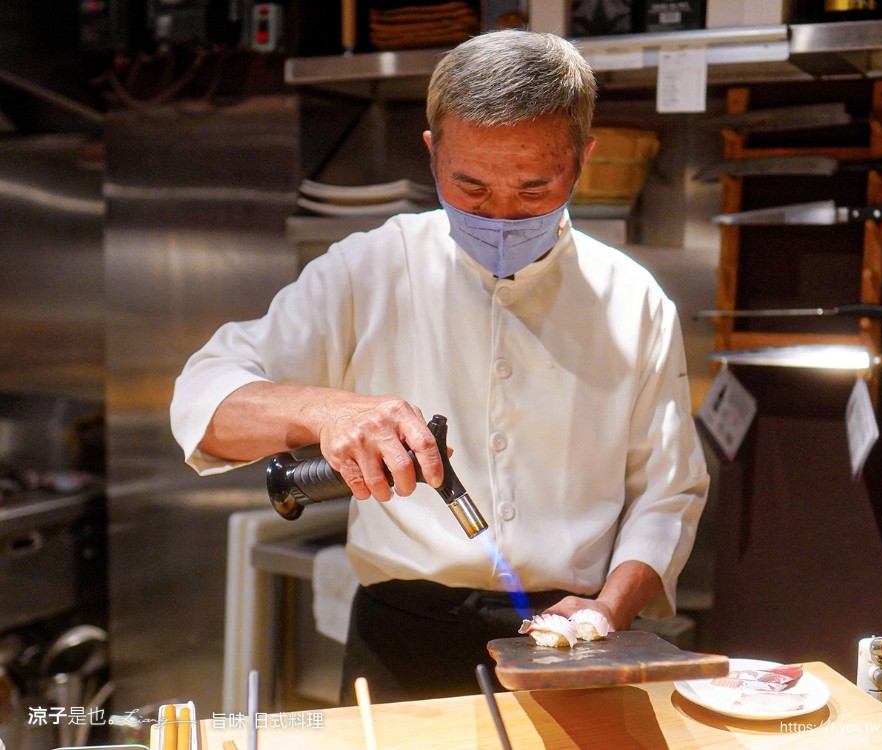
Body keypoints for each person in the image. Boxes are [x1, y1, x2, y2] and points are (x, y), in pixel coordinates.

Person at [170, 29, 709, 704]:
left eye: (535, 188)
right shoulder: (369, 268)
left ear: (582, 160)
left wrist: (609, 608)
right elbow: (204, 397)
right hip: (400, 639)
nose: (502, 216)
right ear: (433, 155)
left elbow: (667, 492)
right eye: (471, 187)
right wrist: (325, 410)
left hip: (570, 637)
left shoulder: (634, 302)